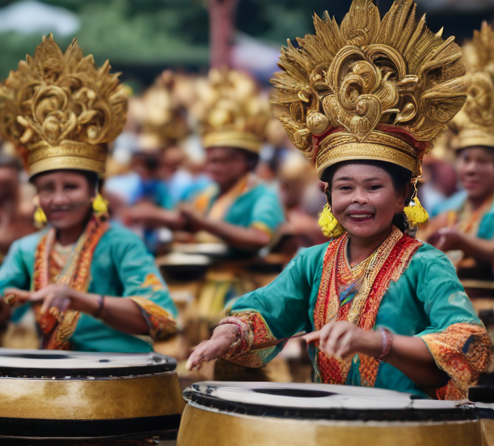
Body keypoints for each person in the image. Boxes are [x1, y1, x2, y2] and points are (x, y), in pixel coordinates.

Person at [187, 0, 493, 400]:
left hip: (414, 435)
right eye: (345, 187)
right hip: (333, 430)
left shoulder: (425, 264)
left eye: (374, 187)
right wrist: (228, 333)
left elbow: (467, 345)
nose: (359, 200)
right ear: (327, 195)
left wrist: (377, 343)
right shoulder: (313, 262)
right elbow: (265, 308)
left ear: (405, 194)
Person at [0, 35, 177, 353]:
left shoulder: (121, 244)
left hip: (119, 380)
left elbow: (163, 319)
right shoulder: (26, 249)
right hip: (55, 374)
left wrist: (82, 300)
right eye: (47, 188)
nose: (58, 199)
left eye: (70, 186)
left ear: (94, 192)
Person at [123, 68, 285, 256]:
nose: (215, 167)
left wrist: (204, 224)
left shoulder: (263, 195)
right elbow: (186, 222)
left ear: (249, 161)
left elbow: (260, 238)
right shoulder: (208, 194)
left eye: (225, 160)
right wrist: (155, 216)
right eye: (211, 160)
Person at [425, 23, 494, 271]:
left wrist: (460, 240)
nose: (472, 169)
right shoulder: (446, 208)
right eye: (466, 159)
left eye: (483, 161)